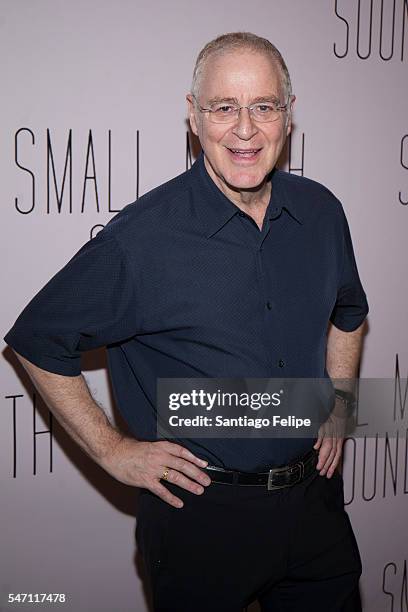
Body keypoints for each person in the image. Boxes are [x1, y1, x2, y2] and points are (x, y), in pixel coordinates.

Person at [4, 32, 368, 612]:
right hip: (201, 520)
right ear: (194, 117)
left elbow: (350, 312)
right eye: (224, 108)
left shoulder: (322, 213)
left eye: (264, 107)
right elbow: (36, 338)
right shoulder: (141, 239)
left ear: (288, 116)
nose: (245, 129)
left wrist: (341, 403)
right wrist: (112, 450)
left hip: (315, 507)